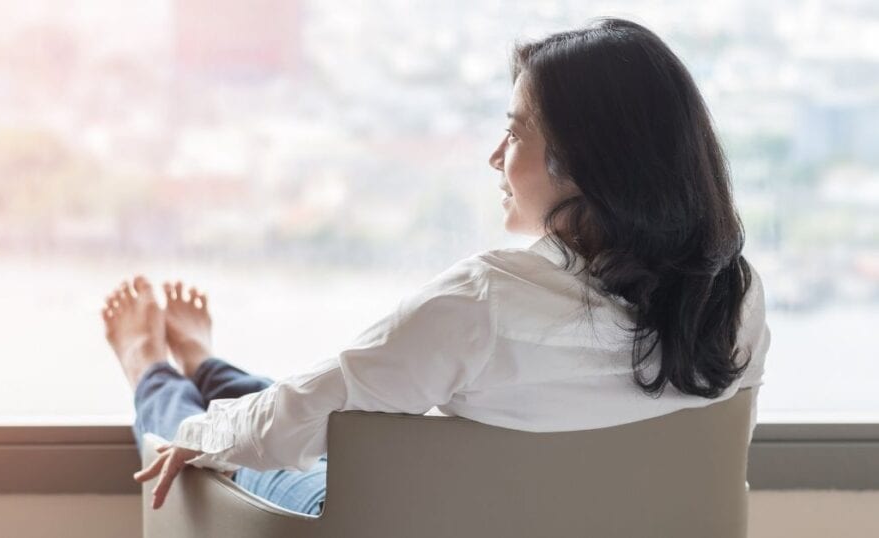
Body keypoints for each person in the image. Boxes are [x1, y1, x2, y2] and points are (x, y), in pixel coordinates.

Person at [101, 17, 770, 517]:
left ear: (582, 161)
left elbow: (289, 427)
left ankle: (152, 369)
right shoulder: (735, 296)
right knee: (333, 401)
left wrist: (198, 434)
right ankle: (210, 366)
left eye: (514, 133)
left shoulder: (482, 306)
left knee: (204, 434)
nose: (494, 157)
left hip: (395, 526)